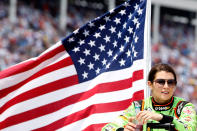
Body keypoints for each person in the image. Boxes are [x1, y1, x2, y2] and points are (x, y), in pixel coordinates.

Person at [102, 63, 197, 131]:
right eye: (161, 82)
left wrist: (161, 117)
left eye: (171, 82)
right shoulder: (138, 107)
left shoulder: (184, 107)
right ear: (150, 84)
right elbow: (107, 129)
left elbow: (190, 128)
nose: (166, 86)